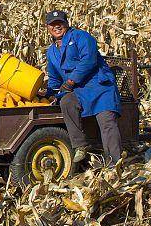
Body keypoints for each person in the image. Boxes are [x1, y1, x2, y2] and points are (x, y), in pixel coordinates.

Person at [40, 10, 123, 165]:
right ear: (47, 27)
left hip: (99, 87)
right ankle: (80, 145)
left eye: (60, 23)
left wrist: (71, 81)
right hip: (78, 92)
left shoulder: (81, 37)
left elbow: (89, 60)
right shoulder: (51, 52)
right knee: (66, 102)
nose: (57, 27)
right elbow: (54, 77)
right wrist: (49, 93)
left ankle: (114, 165)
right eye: (53, 24)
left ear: (66, 24)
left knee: (107, 123)